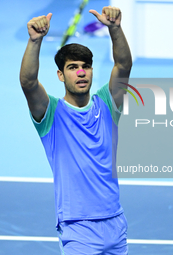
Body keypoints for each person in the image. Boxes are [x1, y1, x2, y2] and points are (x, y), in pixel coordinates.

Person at [20, 6, 132, 255]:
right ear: (60, 75)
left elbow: (123, 65)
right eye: (72, 67)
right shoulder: (50, 113)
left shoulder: (108, 104)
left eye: (86, 66)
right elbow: (28, 83)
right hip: (78, 228)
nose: (81, 72)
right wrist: (35, 41)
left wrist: (115, 29)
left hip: (115, 222)